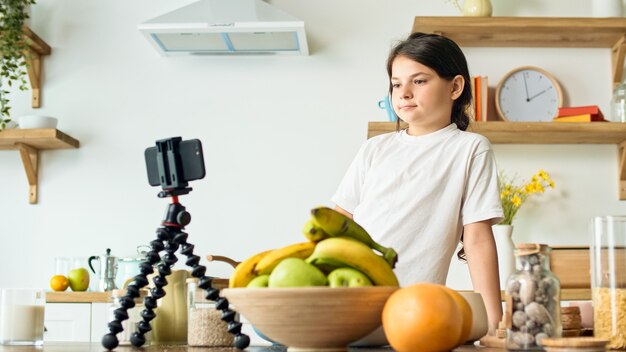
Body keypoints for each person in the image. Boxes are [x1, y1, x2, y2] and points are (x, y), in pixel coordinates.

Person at [331, 32, 504, 335]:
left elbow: (477, 239)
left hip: (414, 313)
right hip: (348, 300)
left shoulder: (470, 149)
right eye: (397, 84)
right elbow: (339, 223)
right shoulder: (375, 148)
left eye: (419, 81)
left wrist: (496, 326)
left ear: (455, 87)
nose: (404, 93)